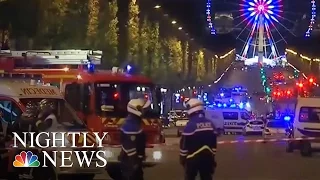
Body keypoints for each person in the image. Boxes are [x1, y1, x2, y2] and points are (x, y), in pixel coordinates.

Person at [180, 98, 217, 180]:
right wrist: (212, 156)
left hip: (192, 159)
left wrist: (182, 159)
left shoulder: (190, 125)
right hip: (208, 158)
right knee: (207, 177)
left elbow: (184, 145)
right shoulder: (211, 124)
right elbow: (214, 143)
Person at [119, 98, 151, 180]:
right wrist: (135, 162)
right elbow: (129, 146)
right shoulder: (131, 125)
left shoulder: (134, 122)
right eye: (143, 109)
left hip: (131, 161)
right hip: (130, 162)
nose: (145, 111)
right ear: (136, 110)